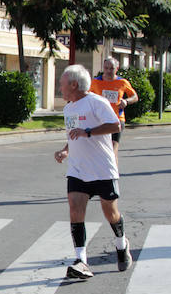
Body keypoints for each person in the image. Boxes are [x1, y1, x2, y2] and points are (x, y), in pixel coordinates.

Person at [53, 65, 131, 280]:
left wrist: (88, 132)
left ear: (74, 84)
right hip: (78, 170)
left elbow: (116, 126)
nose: (60, 86)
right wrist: (65, 150)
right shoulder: (69, 108)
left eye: (62, 82)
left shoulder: (97, 102)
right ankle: (81, 261)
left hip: (103, 168)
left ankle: (121, 243)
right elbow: (73, 134)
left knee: (111, 213)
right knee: (75, 209)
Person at [90, 57, 138, 166]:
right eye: (106, 68)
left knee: (112, 148)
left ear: (117, 68)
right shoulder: (95, 82)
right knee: (100, 150)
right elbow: (87, 96)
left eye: (111, 68)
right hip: (100, 120)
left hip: (117, 119)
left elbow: (135, 97)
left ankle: (113, 175)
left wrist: (126, 101)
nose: (108, 71)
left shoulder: (122, 82)